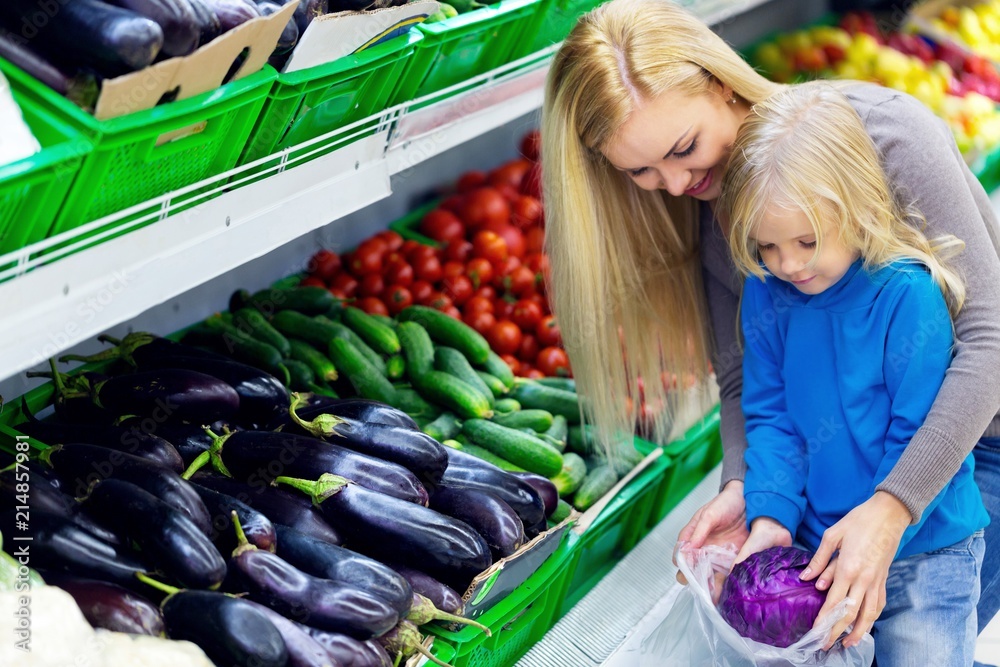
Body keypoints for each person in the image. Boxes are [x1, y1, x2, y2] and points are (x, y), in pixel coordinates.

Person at [540, 0, 1000, 652]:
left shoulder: (888, 140)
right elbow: (746, 379)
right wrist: (746, 489)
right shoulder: (722, 229)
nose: (672, 183)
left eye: (683, 148)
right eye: (639, 172)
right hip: (849, 476)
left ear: (722, 85)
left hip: (975, 445)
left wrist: (894, 506)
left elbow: (991, 339)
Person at [719, 81, 988, 664]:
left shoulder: (907, 296)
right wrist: (770, 516)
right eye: (766, 245)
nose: (787, 263)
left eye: (807, 240)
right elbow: (772, 418)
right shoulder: (768, 295)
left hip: (926, 553)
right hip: (819, 550)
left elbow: (916, 433)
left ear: (857, 205)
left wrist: (872, 540)